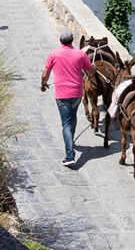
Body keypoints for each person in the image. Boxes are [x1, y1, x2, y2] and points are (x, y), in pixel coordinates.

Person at [41, 30, 93, 167]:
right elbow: (91, 70)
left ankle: (70, 156)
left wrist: (43, 84)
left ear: (60, 40)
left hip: (62, 94)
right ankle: (71, 139)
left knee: (66, 124)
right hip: (77, 93)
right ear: (72, 40)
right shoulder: (80, 54)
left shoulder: (54, 54)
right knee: (72, 117)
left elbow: (45, 73)